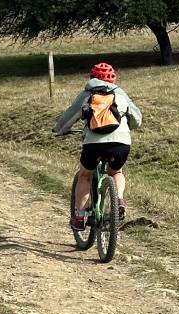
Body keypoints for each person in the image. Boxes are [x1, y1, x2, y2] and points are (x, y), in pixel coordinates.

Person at [53, 62, 142, 229]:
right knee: (116, 172)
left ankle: (79, 217)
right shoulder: (121, 94)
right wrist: (127, 127)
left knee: (85, 175)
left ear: (92, 77)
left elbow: (69, 116)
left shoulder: (86, 95)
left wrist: (59, 130)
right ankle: (119, 200)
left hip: (94, 144)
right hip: (120, 142)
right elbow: (137, 119)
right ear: (113, 79)